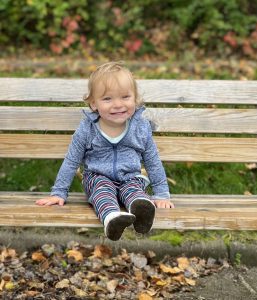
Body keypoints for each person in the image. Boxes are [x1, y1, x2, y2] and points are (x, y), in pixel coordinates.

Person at [36, 61, 174, 241]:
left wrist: (161, 193)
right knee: (103, 192)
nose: (118, 105)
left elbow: (152, 160)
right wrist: (58, 193)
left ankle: (141, 212)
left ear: (135, 99)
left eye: (125, 97)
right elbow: (71, 161)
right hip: (97, 177)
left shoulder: (140, 127)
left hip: (130, 176)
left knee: (135, 191)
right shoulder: (87, 129)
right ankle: (112, 218)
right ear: (94, 104)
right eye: (108, 99)